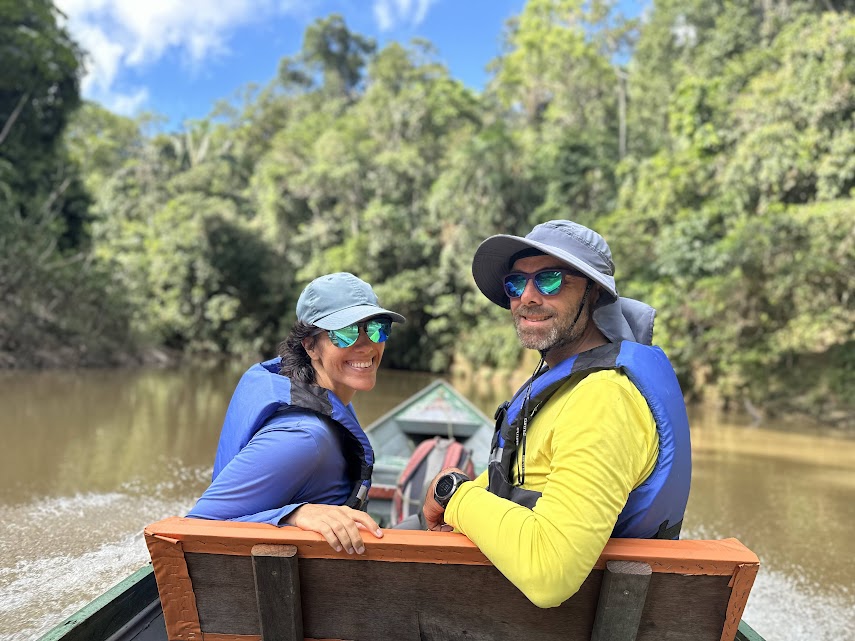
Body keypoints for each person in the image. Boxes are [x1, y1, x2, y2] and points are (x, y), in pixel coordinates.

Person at [423, 220, 692, 608]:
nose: (527, 297)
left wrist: (453, 496)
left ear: (593, 292)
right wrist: (459, 488)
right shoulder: (565, 385)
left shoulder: (604, 400)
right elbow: (511, 478)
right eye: (516, 284)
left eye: (549, 280)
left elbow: (549, 573)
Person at [187, 272, 405, 555]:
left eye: (377, 328)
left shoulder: (328, 396)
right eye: (345, 333)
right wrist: (294, 516)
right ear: (310, 345)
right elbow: (194, 528)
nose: (366, 345)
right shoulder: (303, 438)